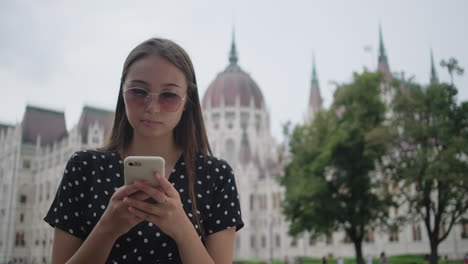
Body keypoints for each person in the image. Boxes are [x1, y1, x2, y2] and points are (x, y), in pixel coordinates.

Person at [44, 38, 244, 263]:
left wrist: (182, 228)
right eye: (139, 92)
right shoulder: (84, 168)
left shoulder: (216, 176)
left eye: (169, 95)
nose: (152, 107)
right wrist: (107, 228)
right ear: (122, 92)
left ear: (188, 100)